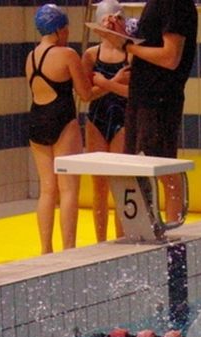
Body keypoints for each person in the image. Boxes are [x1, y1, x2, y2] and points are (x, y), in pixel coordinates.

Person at [110, 0, 198, 222]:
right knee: (135, 167)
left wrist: (127, 46)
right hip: (142, 96)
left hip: (160, 99)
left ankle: (174, 229)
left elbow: (170, 57)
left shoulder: (174, 4)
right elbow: (149, 47)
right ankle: (144, 229)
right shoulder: (156, 4)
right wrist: (122, 37)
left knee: (164, 168)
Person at [26, 4, 93, 254]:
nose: (67, 33)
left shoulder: (31, 57)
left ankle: (45, 249)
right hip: (62, 121)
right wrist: (111, 84)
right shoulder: (67, 55)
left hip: (36, 121)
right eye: (66, 29)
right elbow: (85, 94)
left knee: (47, 189)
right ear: (58, 29)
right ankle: (69, 249)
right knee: (68, 189)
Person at [83, 0, 131, 241]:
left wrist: (104, 83)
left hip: (123, 119)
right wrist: (112, 82)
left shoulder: (131, 54)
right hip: (96, 120)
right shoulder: (91, 55)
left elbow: (133, 93)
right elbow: (85, 95)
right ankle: (100, 242)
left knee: (120, 183)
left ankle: (121, 239)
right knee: (99, 185)